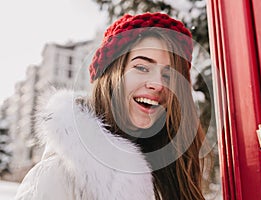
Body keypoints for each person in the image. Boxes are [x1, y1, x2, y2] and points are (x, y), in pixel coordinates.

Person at [15, 12, 208, 200]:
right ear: (111, 75)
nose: (158, 84)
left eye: (168, 75)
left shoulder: (170, 179)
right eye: (141, 67)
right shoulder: (57, 177)